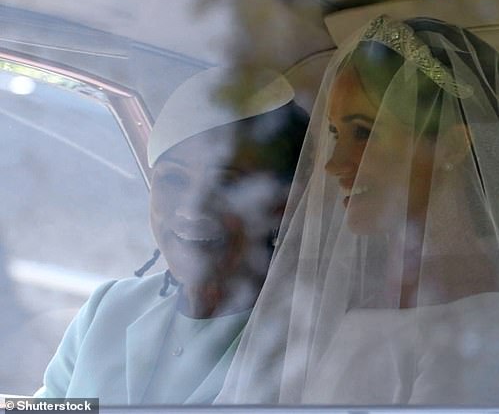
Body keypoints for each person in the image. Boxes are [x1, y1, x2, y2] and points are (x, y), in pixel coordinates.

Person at [216, 16, 499, 405]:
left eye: (364, 132)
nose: (334, 165)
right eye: (335, 134)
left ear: (451, 146)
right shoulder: (357, 297)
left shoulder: (488, 327)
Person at [34, 66, 308, 404]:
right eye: (174, 180)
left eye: (226, 183)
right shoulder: (109, 308)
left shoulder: (305, 340)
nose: (191, 210)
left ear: (281, 203)